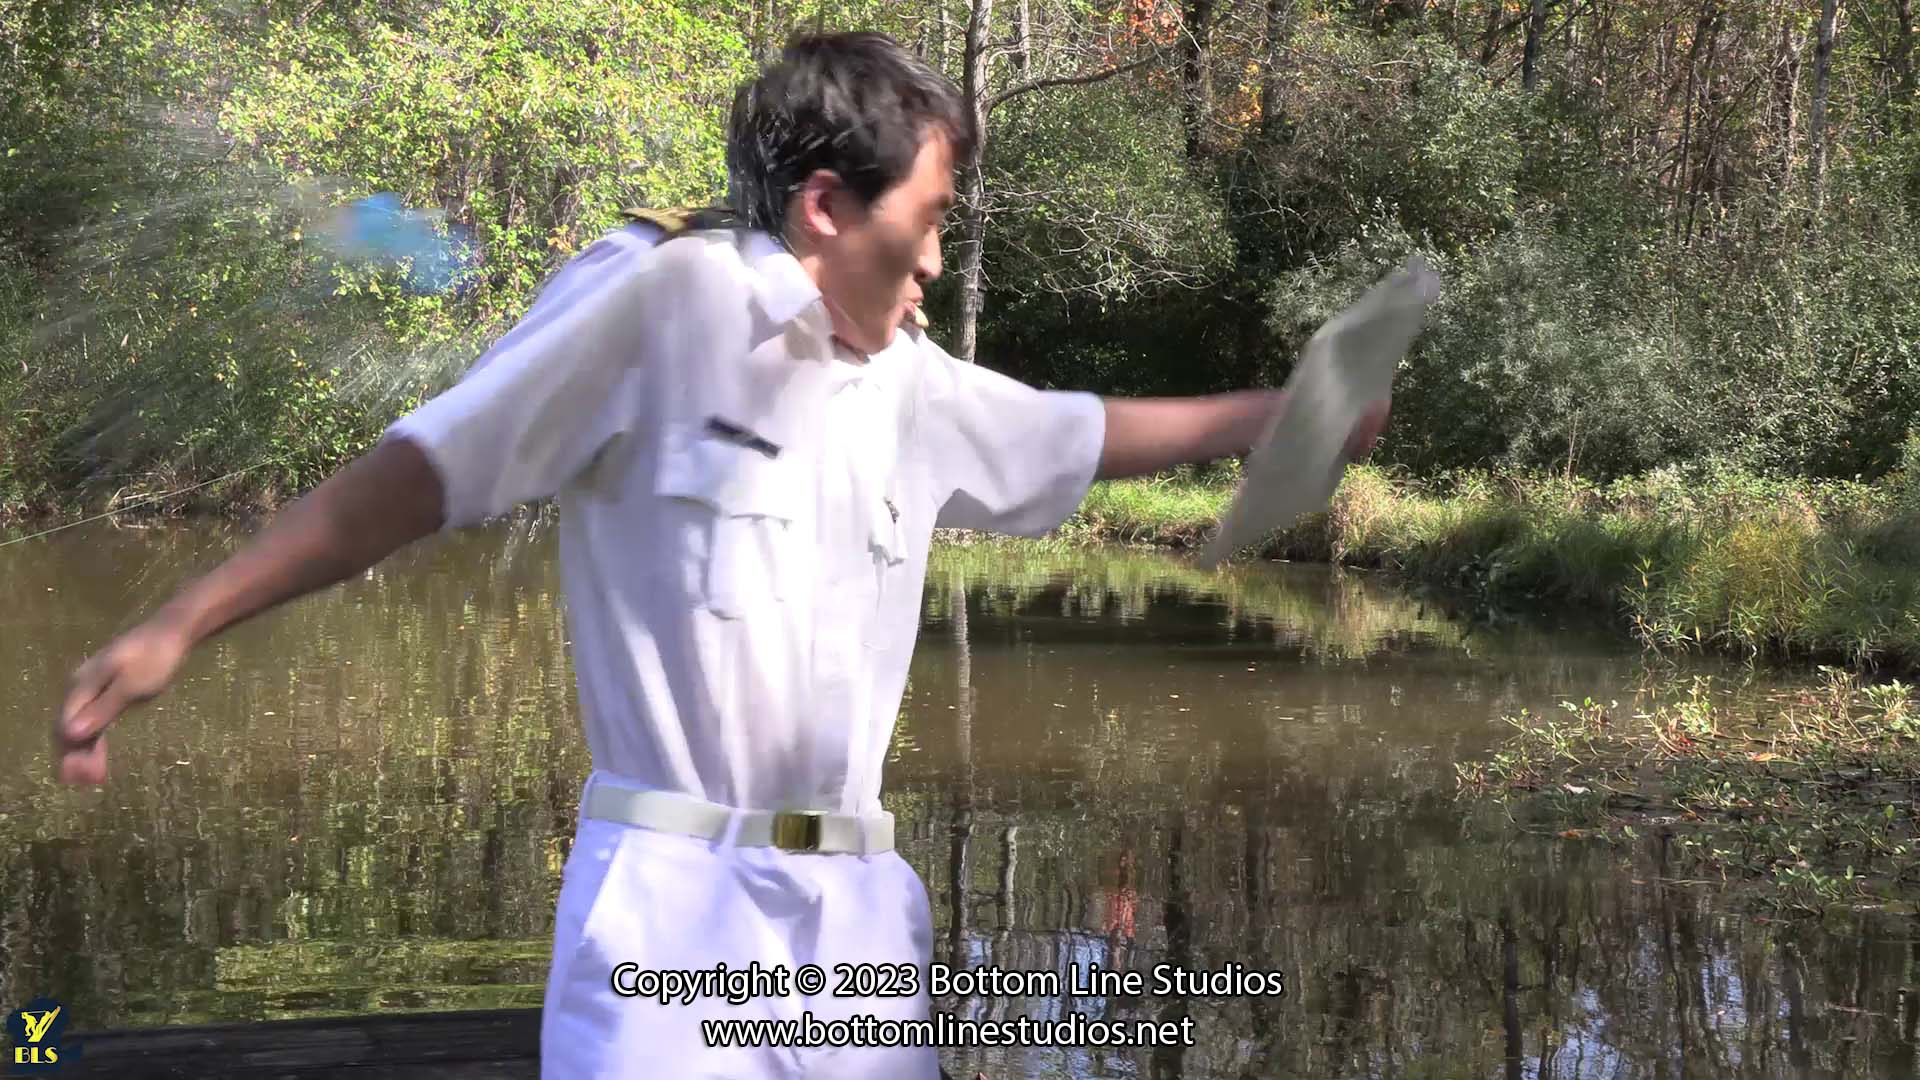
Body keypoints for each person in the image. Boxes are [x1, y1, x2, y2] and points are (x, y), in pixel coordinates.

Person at [52, 31, 1388, 1079]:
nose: (937, 256)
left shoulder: (907, 380)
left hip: (856, 926)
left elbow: (1077, 432)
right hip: (670, 913)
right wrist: (182, 621)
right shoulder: (661, 300)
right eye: (929, 217)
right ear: (826, 204)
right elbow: (421, 474)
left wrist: (1286, 416)